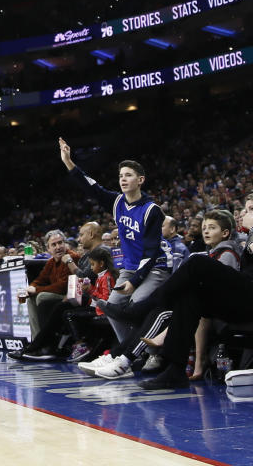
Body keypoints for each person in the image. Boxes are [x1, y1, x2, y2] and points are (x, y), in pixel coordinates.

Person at [57, 138, 169, 350]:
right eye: (120, 176)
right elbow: (92, 187)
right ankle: (129, 351)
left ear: (141, 180)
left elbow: (151, 252)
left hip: (154, 267)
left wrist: (135, 281)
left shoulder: (151, 210)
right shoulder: (117, 202)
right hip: (130, 268)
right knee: (111, 307)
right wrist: (68, 162)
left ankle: (149, 353)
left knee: (135, 305)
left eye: (128, 175)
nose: (123, 179)